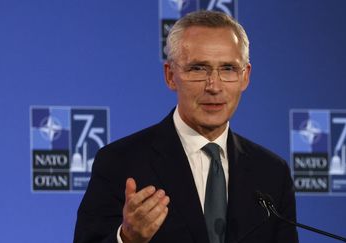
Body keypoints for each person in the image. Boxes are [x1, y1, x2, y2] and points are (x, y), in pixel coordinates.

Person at [74, 10, 298, 243]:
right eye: (198, 68)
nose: (214, 85)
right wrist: (126, 239)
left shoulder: (272, 173)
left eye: (228, 69)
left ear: (245, 77)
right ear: (171, 76)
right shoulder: (120, 162)